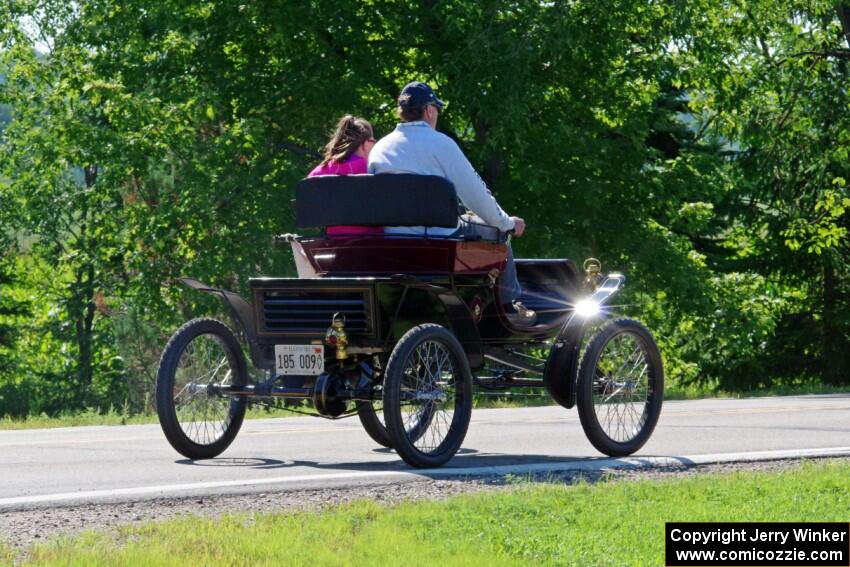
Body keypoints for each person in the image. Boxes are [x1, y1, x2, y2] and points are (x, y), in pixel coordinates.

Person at [368, 81, 535, 325]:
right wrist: (506, 223)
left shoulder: (380, 147)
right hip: (440, 241)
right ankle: (509, 308)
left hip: (394, 242)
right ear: (430, 111)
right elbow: (476, 195)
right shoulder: (440, 144)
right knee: (499, 234)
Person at [308, 114, 382, 236]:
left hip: (337, 244)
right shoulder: (374, 168)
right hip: (375, 243)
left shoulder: (326, 168)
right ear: (366, 142)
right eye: (374, 140)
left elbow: (308, 194)